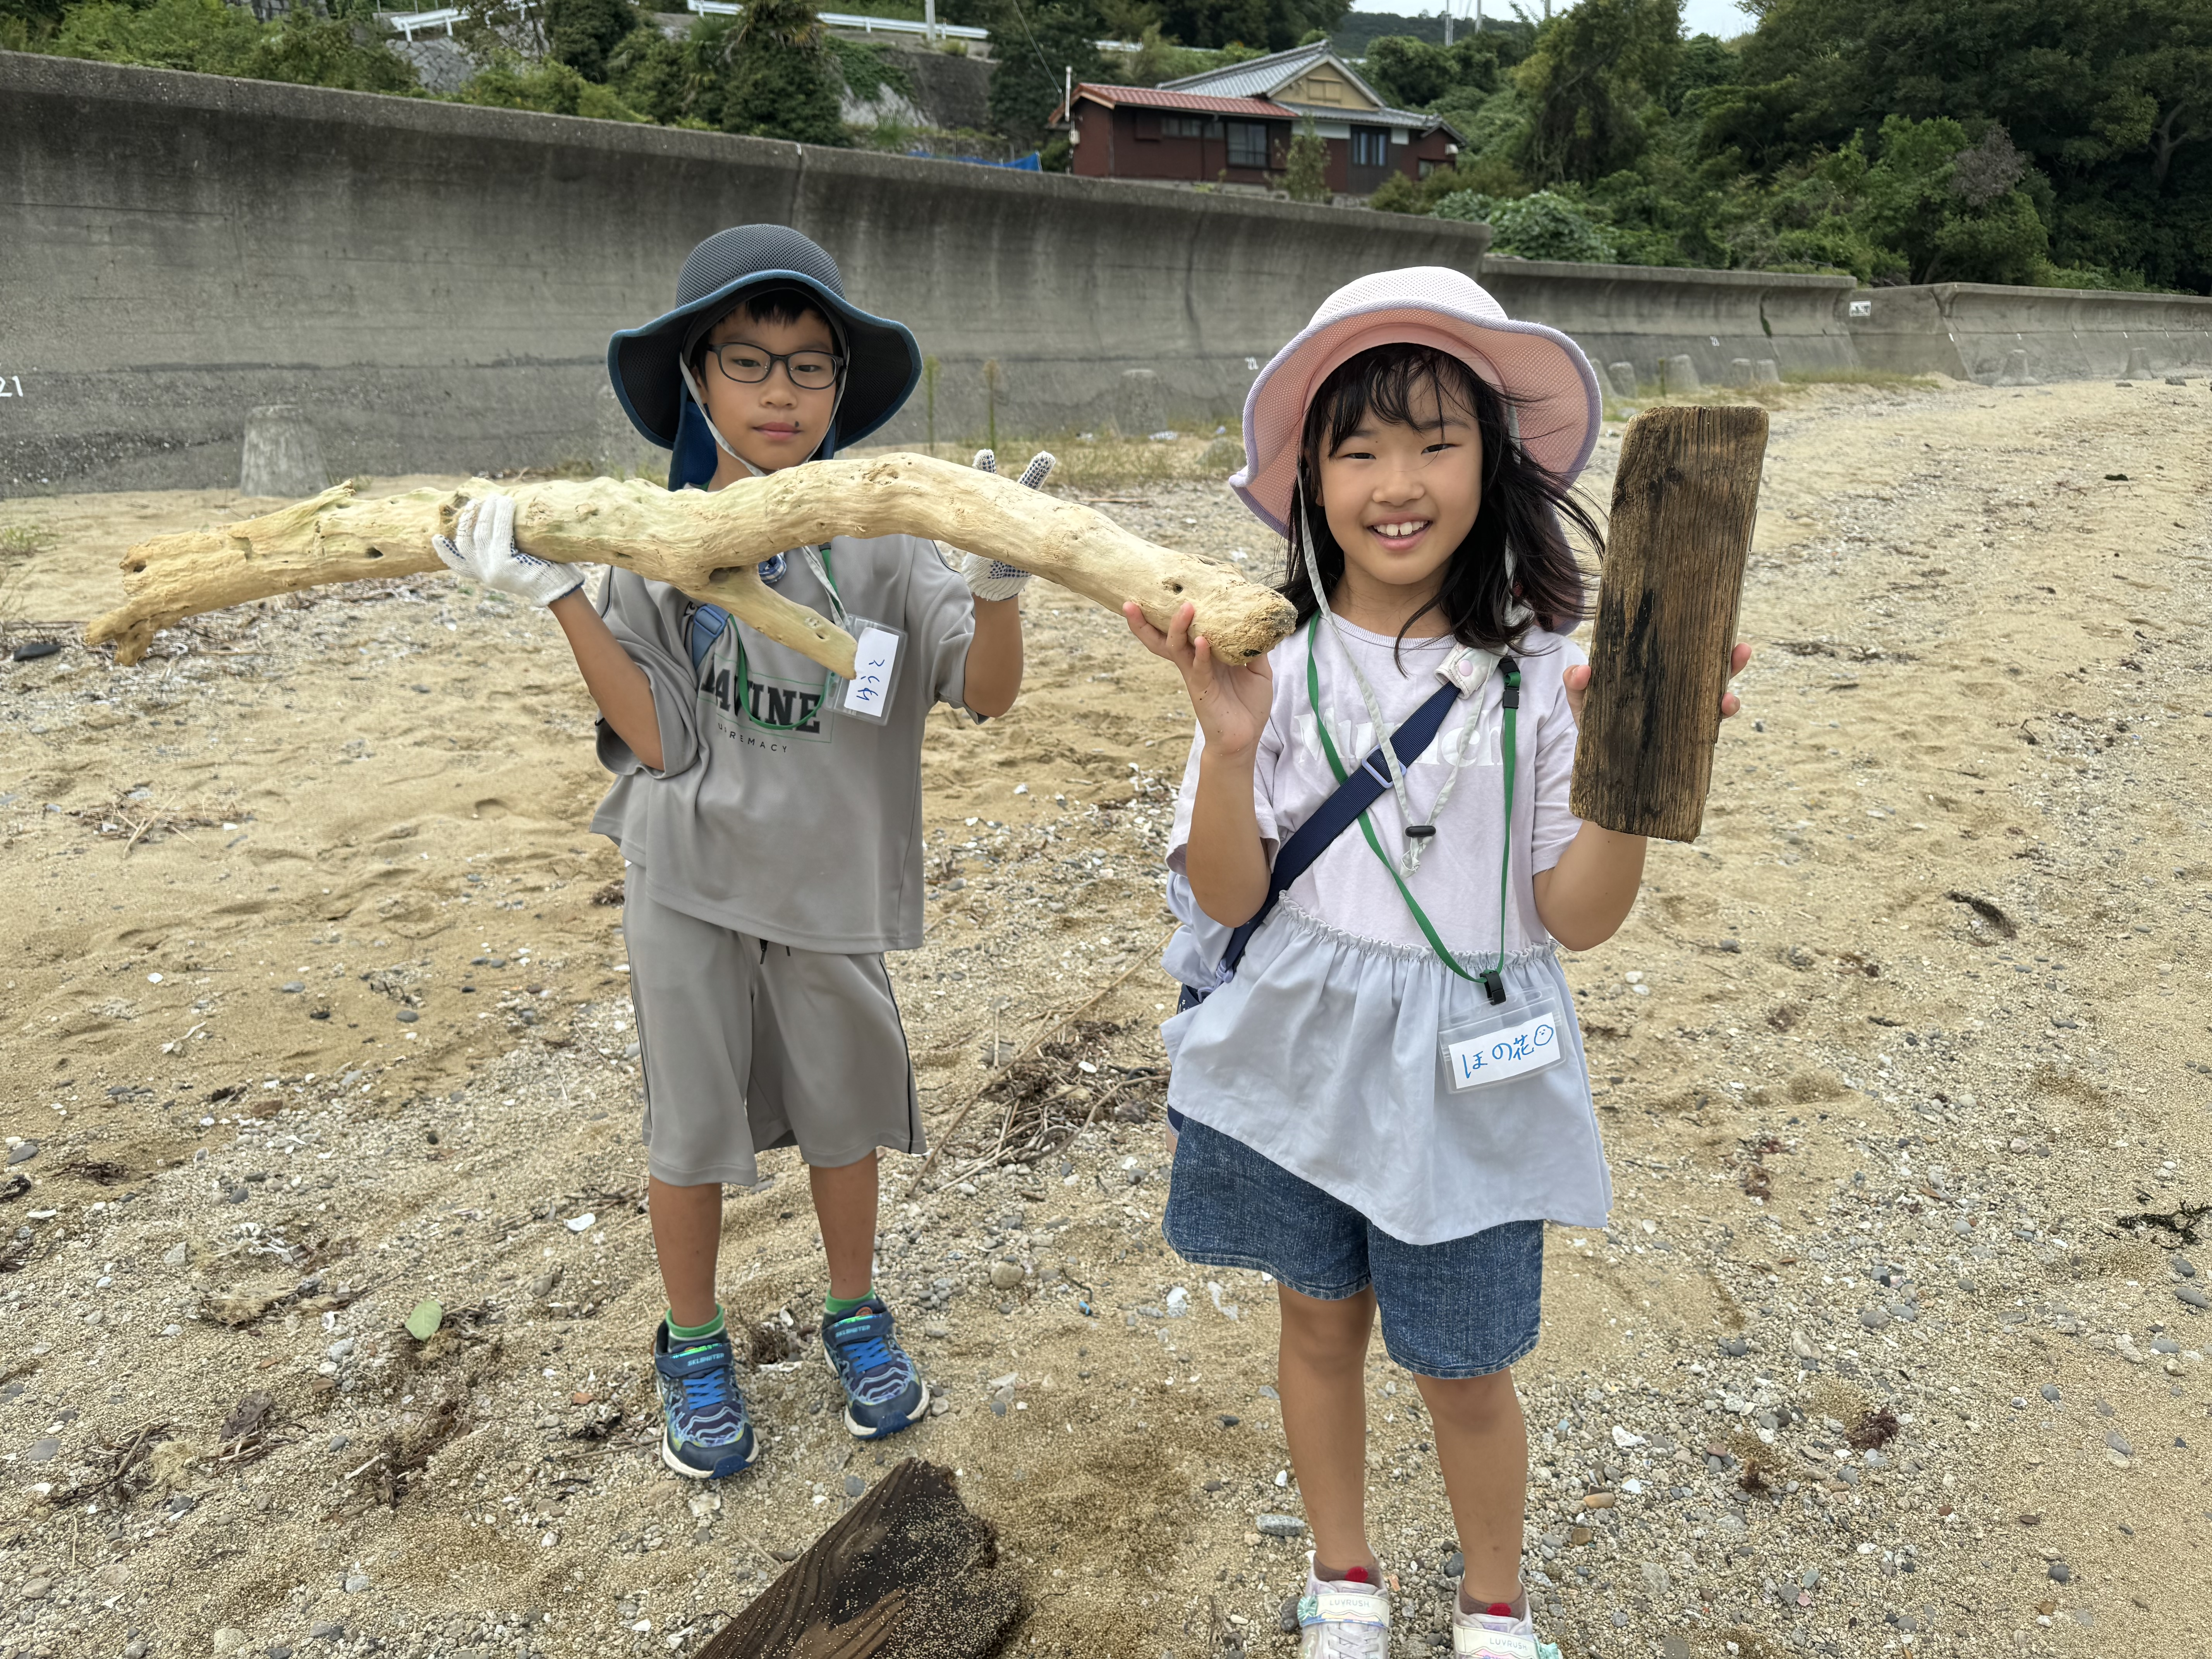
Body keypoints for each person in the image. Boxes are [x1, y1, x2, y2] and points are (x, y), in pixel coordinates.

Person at [1125, 267, 1749, 1659]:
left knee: (1466, 1364)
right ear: (1310, 478)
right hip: (1296, 1033)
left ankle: (1495, 1603)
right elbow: (1226, 891)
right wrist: (1229, 752)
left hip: (1473, 1060)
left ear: (1494, 459)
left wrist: (1645, 767)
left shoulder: (1547, 670)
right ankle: (1343, 1578)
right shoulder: (1265, 665)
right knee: (1318, 1322)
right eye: (1357, 447)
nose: (1396, 481)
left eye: (1434, 439)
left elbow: (1575, 914)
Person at [432, 225, 1041, 1479]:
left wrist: (997, 587)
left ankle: (854, 1313)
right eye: (750, 362)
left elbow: (986, 694)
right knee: (691, 1121)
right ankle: (695, 1342)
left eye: (810, 366)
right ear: (697, 379)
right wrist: (553, 595)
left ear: (839, 387)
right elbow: (654, 738)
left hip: (831, 877)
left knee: (845, 1106)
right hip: (690, 877)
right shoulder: (657, 541)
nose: (780, 391)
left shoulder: (886, 536)